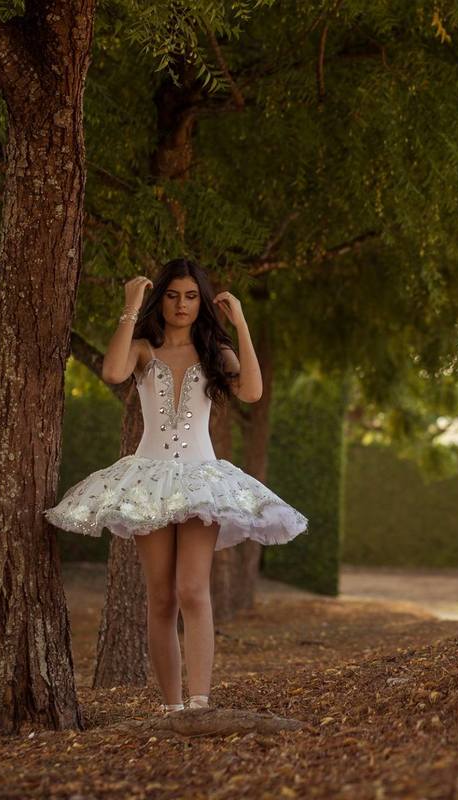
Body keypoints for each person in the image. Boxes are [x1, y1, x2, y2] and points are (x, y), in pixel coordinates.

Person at [44, 257, 309, 716]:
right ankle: (171, 707)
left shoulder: (214, 350)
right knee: (161, 595)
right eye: (172, 295)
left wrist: (241, 323)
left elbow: (251, 392)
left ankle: (201, 701)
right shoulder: (144, 348)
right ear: (160, 299)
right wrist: (130, 306)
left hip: (202, 480)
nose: (181, 305)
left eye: (190, 296)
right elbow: (111, 372)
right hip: (148, 480)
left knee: (192, 589)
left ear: (200, 301)